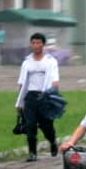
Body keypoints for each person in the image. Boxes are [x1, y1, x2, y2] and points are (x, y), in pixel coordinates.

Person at [16, 32, 60, 161]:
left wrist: (52, 96)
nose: (36, 45)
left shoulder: (50, 61)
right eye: (33, 43)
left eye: (38, 43)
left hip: (44, 96)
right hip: (30, 96)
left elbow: (55, 81)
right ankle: (32, 153)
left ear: (43, 44)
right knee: (30, 124)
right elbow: (21, 82)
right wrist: (20, 101)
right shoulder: (27, 62)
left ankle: (52, 142)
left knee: (46, 125)